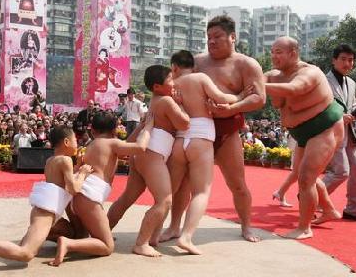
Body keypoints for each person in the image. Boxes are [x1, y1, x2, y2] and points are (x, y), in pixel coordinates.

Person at [160, 15, 265, 243]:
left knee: (237, 183)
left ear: (232, 37)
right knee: (183, 183)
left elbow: (259, 97)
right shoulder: (197, 61)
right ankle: (174, 227)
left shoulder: (246, 64)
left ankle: (246, 226)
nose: (212, 41)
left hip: (227, 131)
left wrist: (231, 108)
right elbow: (173, 83)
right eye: (209, 37)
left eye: (217, 36)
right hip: (194, 129)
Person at [0, 126, 92, 272]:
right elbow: (73, 189)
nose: (78, 143)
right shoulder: (65, 160)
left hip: (45, 212)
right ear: (66, 142)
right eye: (75, 140)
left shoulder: (51, 160)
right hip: (45, 213)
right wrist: (83, 173)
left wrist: (77, 167)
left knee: (28, 246)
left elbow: (61, 184)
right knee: (26, 253)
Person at [48, 110, 154, 266]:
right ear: (114, 130)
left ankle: (54, 232)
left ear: (92, 130)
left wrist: (141, 126)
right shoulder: (112, 143)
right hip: (88, 199)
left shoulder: (94, 144)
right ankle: (67, 244)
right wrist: (148, 128)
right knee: (107, 246)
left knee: (81, 235)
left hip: (78, 198)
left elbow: (126, 146)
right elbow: (140, 147)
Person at [264, 36, 344, 239]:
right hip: (301, 132)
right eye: (272, 52)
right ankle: (329, 210)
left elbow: (295, 89)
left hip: (324, 127)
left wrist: (258, 86)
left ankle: (304, 227)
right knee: (304, 174)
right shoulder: (274, 76)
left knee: (306, 178)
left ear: (293, 53)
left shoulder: (311, 72)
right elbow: (249, 82)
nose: (274, 56)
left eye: (279, 52)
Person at [108, 65, 190, 257]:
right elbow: (184, 124)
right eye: (170, 80)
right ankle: (141, 243)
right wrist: (181, 104)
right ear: (157, 86)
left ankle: (102, 231)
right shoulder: (167, 101)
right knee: (164, 200)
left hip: (144, 154)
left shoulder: (155, 101)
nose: (174, 83)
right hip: (152, 154)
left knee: (127, 197)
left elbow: (146, 125)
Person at [164, 50, 241, 254]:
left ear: (175, 67)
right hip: (201, 138)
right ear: (193, 66)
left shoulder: (173, 85)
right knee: (201, 191)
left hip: (180, 140)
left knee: (169, 191)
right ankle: (186, 237)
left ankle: (155, 232)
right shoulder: (200, 78)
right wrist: (241, 96)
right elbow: (222, 97)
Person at [321, 44, 356, 223]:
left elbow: (349, 105)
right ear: (334, 60)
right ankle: (310, 196)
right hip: (330, 131)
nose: (347, 63)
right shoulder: (322, 80)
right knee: (341, 172)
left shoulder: (351, 83)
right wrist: (337, 116)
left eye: (351, 60)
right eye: (343, 59)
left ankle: (354, 210)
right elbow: (318, 107)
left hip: (349, 132)